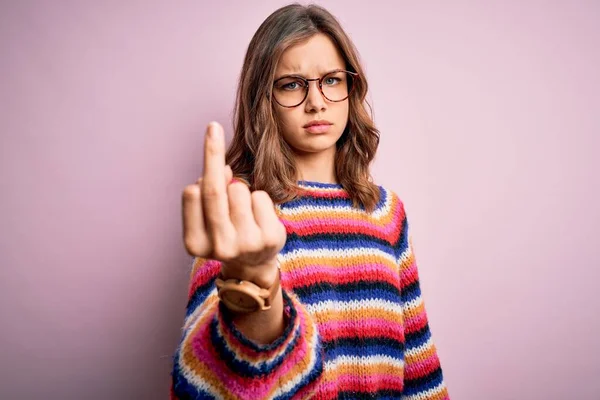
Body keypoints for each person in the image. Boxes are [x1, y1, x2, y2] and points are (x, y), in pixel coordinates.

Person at [171, 4, 449, 399]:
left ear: (351, 88)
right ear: (263, 98)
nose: (316, 102)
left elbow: (420, 364)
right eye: (291, 84)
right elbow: (202, 384)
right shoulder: (241, 215)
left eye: (332, 80)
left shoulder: (387, 212)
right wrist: (255, 292)